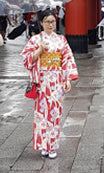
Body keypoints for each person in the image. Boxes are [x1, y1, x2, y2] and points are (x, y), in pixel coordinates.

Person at [21, 10, 78, 158]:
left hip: (57, 81)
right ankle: (43, 145)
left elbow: (67, 58)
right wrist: (39, 50)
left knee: (55, 113)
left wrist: (67, 79)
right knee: (41, 114)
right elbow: (26, 60)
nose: (51, 24)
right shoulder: (35, 40)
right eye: (47, 22)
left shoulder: (61, 40)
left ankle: (52, 145)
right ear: (41, 23)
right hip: (42, 81)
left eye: (53, 21)